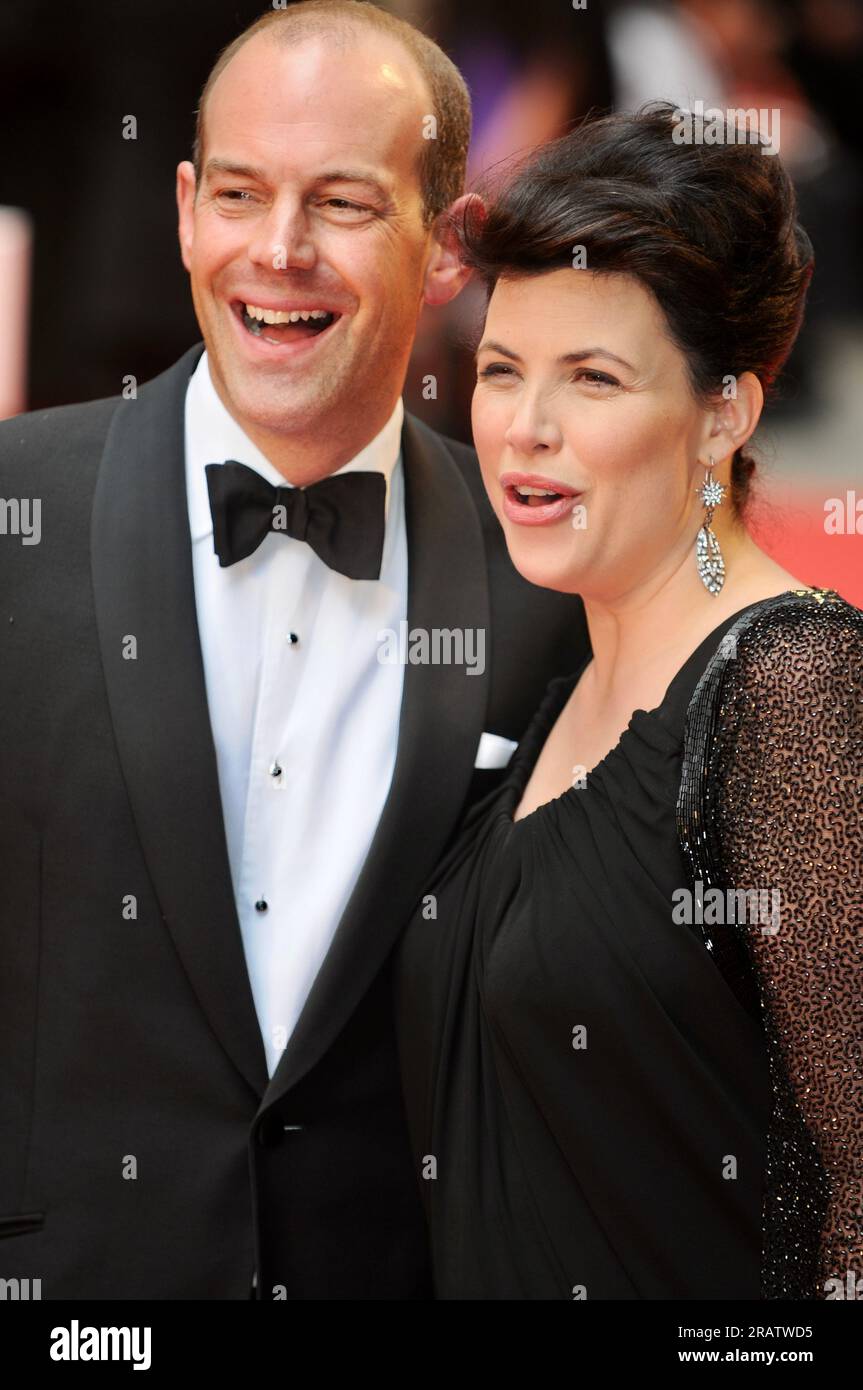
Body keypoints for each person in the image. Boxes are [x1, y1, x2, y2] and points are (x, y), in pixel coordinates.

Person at [0, 2, 589, 1299]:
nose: (277, 250)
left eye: (339, 202)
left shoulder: (545, 578)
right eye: (239, 192)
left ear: (445, 247)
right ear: (180, 208)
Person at [393, 103, 862, 1300]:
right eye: (501, 371)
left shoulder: (794, 689)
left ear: (724, 412)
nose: (523, 430)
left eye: (591, 378)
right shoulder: (559, 692)